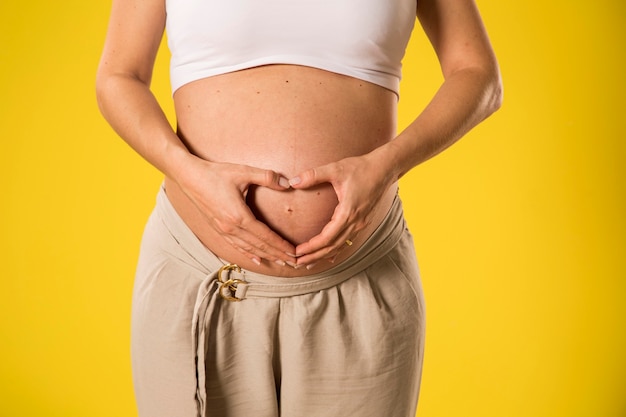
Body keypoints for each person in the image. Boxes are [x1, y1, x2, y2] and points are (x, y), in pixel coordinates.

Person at [96, 0, 502, 415]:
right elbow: (118, 76)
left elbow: (478, 75)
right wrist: (189, 174)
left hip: (361, 278)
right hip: (201, 272)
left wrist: (387, 165)